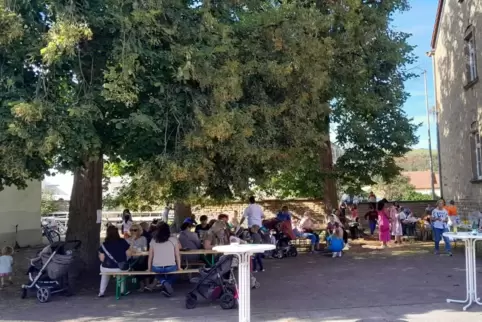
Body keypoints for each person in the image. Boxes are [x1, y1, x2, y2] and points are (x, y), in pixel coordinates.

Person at [147, 222, 182, 297]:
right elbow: (177, 255)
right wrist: (179, 267)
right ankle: (168, 283)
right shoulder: (173, 239)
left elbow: (150, 257)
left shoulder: (153, 240)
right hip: (171, 267)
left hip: (157, 267)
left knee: (156, 273)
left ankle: (164, 282)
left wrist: (149, 268)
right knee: (176, 273)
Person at [98, 226, 132, 297]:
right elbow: (129, 253)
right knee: (122, 273)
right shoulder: (123, 242)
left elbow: (102, 259)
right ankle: (122, 291)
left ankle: (101, 292)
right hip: (121, 267)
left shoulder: (104, 244)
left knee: (104, 273)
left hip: (107, 268)